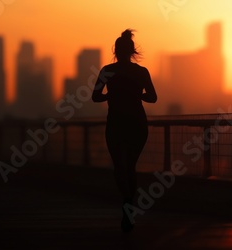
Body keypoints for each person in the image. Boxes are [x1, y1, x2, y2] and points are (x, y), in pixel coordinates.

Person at [92, 29, 157, 232]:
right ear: (132, 51)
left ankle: (127, 202)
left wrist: (111, 96)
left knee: (120, 166)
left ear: (116, 50)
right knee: (130, 166)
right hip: (137, 122)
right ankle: (130, 206)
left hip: (116, 122)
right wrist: (136, 95)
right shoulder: (141, 72)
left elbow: (95, 97)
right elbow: (153, 97)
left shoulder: (107, 70)